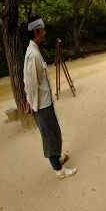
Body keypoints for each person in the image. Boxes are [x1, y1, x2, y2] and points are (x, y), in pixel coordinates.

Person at [23, 17, 77, 180]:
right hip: (40, 104)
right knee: (49, 135)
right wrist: (31, 103)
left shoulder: (35, 50)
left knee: (54, 131)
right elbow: (30, 83)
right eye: (43, 29)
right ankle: (59, 170)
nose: (45, 32)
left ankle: (58, 157)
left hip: (45, 101)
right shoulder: (32, 54)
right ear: (36, 32)